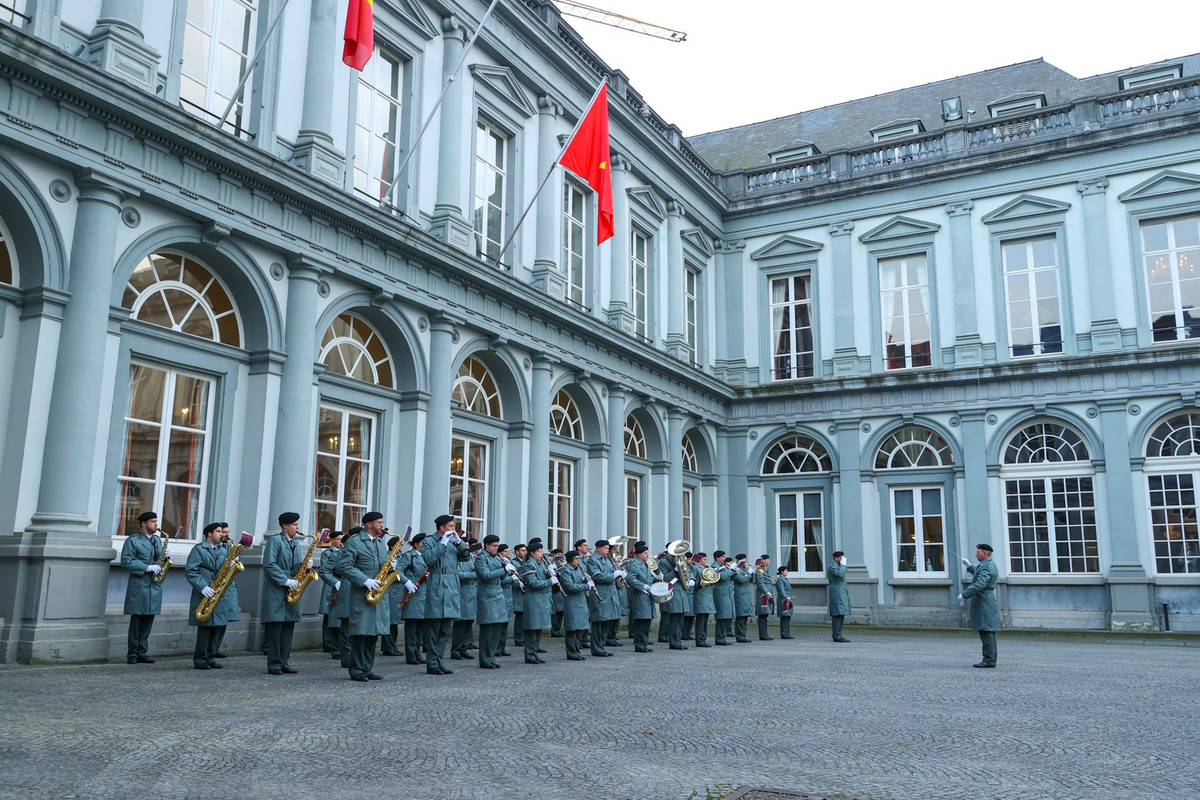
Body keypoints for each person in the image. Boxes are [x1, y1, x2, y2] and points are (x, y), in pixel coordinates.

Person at [334, 511, 390, 681]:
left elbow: (382, 566)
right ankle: (356, 668)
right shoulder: (355, 542)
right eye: (379, 522)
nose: (381, 525)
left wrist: (391, 566)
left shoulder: (380, 542)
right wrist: (364, 580)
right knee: (360, 632)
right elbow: (343, 566)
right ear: (368, 524)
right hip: (361, 591)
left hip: (377, 592)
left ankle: (367, 667)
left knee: (373, 632)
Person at [421, 514, 466, 676]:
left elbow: (466, 557)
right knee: (434, 628)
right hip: (438, 582)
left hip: (452, 584)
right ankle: (432, 663)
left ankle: (440, 661)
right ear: (442, 528)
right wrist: (442, 544)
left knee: (445, 629)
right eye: (451, 526)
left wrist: (459, 543)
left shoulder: (454, 541)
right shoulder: (429, 541)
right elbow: (428, 559)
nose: (453, 529)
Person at [261, 511, 305, 675]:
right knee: (276, 626)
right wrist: (285, 580)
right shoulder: (275, 540)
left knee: (288, 626)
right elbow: (269, 564)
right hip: (277, 587)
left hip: (292, 587)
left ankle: (284, 661)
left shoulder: (296, 543)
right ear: (285, 525)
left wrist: (304, 567)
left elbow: (296, 564)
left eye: (297, 524)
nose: (297, 527)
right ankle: (273, 663)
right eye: (294, 524)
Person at [120, 510, 165, 664]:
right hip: (140, 584)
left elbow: (160, 560)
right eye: (153, 522)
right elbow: (126, 561)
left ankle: (142, 652)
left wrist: (166, 559)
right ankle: (132, 654)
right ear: (144, 523)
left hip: (154, 584)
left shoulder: (158, 541)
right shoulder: (133, 541)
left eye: (156, 522)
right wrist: (147, 567)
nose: (156, 525)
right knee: (137, 619)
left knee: (149, 618)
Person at [185, 522, 229, 670]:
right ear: (209, 533)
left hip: (218, 591)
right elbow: (191, 571)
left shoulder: (222, 550)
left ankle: (210, 657)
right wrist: (202, 587)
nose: (221, 534)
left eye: (221, 531)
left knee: (216, 626)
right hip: (205, 591)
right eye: (218, 531)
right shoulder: (199, 549)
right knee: (205, 627)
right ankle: (200, 659)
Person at [959, 543, 1000, 668]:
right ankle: (989, 659)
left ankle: (989, 660)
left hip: (984, 601)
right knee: (986, 630)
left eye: (978, 552)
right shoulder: (986, 565)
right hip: (985, 600)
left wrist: (964, 594)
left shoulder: (987, 566)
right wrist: (970, 567)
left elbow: (980, 584)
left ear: (985, 553)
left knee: (986, 630)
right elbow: (979, 573)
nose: (976, 554)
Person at [474, 535, 512, 669]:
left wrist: (506, 570)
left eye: (497, 545)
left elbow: (501, 577)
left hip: (498, 594)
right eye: (494, 546)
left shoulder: (496, 557)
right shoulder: (481, 558)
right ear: (487, 545)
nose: (497, 548)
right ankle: (484, 659)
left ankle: (491, 657)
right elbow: (486, 575)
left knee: (497, 628)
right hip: (487, 595)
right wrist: (503, 569)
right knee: (488, 629)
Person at [584, 539, 621, 657]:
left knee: (607, 622)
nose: (607, 551)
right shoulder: (593, 560)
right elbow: (597, 576)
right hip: (600, 594)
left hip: (610, 593)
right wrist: (613, 575)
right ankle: (596, 648)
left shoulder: (607, 559)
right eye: (605, 548)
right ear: (599, 549)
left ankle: (602, 646)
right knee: (599, 622)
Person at [398, 532, 428, 664]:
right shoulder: (409, 556)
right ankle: (410, 655)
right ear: (416, 544)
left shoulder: (429, 556)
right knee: (412, 626)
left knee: (421, 627)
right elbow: (397, 570)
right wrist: (407, 582)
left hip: (426, 594)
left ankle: (417, 653)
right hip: (413, 594)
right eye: (423, 543)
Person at [520, 541, 552, 663]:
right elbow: (533, 583)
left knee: (539, 628)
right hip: (533, 598)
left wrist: (553, 575)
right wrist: (550, 582)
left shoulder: (541, 564)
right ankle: (530, 655)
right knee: (532, 628)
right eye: (539, 552)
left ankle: (535, 653)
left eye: (542, 551)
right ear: (532, 553)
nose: (541, 554)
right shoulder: (529, 565)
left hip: (542, 599)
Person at [317, 530, 346, 661]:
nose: (340, 541)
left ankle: (335, 644)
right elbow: (325, 569)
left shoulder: (344, 552)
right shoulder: (327, 553)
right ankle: (327, 643)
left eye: (341, 539)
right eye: (338, 539)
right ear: (333, 540)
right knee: (329, 615)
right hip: (331, 586)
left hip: (341, 586)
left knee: (336, 616)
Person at [558, 551, 591, 660]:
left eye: (578, 558)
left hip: (580, 600)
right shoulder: (566, 570)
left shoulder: (579, 569)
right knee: (572, 629)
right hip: (572, 601)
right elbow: (570, 587)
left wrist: (586, 580)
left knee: (579, 628)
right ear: (570, 560)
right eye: (576, 559)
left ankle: (577, 650)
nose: (578, 561)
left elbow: (579, 582)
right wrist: (586, 586)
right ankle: (572, 653)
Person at [624, 543, 656, 652]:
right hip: (640, 596)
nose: (647, 555)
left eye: (647, 553)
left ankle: (644, 643)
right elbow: (630, 579)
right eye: (645, 553)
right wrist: (642, 586)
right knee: (641, 623)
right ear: (639, 555)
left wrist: (656, 580)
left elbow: (649, 578)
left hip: (647, 596)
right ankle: (639, 645)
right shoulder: (634, 565)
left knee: (647, 622)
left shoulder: (646, 564)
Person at [451, 542, 480, 660]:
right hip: (462, 594)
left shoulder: (471, 559)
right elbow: (458, 574)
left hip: (472, 593)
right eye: (465, 546)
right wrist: (474, 574)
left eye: (468, 546)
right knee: (460, 624)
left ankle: (464, 648)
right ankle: (456, 650)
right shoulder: (456, 559)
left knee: (469, 623)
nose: (467, 548)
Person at [712, 551, 735, 645]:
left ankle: (722, 637)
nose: (724, 559)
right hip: (721, 593)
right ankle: (719, 638)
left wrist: (733, 570)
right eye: (722, 557)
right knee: (721, 616)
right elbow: (723, 577)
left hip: (727, 593)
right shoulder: (714, 566)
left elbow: (730, 578)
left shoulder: (724, 565)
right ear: (717, 558)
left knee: (725, 617)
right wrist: (731, 570)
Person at [827, 551, 851, 642]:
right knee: (837, 613)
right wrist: (844, 565)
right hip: (836, 592)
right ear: (836, 558)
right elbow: (840, 574)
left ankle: (839, 634)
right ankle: (836, 635)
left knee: (841, 613)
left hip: (840, 591)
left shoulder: (838, 566)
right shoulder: (832, 566)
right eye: (841, 558)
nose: (842, 560)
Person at [691, 553, 714, 647]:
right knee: (701, 619)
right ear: (699, 560)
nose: (706, 561)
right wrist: (699, 582)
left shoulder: (705, 568)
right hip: (700, 595)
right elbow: (692, 581)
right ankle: (699, 640)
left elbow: (712, 581)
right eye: (704, 559)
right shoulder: (695, 568)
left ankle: (703, 638)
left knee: (705, 619)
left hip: (707, 595)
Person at [497, 543, 516, 656]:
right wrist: (511, 578)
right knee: (499, 624)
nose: (507, 554)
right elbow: (500, 580)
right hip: (501, 593)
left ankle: (502, 648)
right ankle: (496, 648)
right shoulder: (500, 563)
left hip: (508, 594)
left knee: (505, 624)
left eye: (508, 551)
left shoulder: (508, 562)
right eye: (505, 552)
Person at [732, 554, 754, 643]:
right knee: (741, 616)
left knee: (745, 616)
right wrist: (749, 573)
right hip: (740, 594)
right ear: (737, 561)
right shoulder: (735, 569)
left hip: (746, 594)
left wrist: (751, 572)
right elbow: (741, 579)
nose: (744, 563)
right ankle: (739, 636)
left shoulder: (744, 569)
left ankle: (743, 635)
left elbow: (750, 580)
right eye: (742, 561)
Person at [510, 542, 528, 649]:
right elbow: (512, 576)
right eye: (522, 550)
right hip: (518, 592)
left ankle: (523, 638)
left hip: (526, 592)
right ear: (517, 552)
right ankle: (518, 638)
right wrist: (518, 583)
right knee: (520, 617)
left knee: (525, 617)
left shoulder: (525, 562)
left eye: (525, 550)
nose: (525, 552)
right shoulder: (513, 562)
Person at [754, 555, 775, 640]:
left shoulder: (766, 569)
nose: (769, 561)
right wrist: (766, 592)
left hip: (767, 593)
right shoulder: (760, 569)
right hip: (763, 595)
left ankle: (765, 634)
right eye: (768, 559)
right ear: (762, 560)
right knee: (762, 615)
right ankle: (763, 635)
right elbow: (760, 583)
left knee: (765, 615)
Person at [549, 547, 565, 638]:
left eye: (561, 554)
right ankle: (554, 630)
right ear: (554, 555)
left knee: (561, 611)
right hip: (555, 590)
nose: (560, 556)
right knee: (556, 611)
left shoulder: (561, 563)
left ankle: (558, 629)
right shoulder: (552, 563)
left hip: (561, 589)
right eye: (558, 555)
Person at [775, 565, 794, 639]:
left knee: (787, 617)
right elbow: (781, 589)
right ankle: (784, 633)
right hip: (783, 600)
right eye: (786, 571)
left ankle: (787, 633)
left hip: (787, 599)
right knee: (785, 617)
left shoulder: (784, 579)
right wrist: (786, 597)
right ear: (782, 572)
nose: (787, 572)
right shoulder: (780, 579)